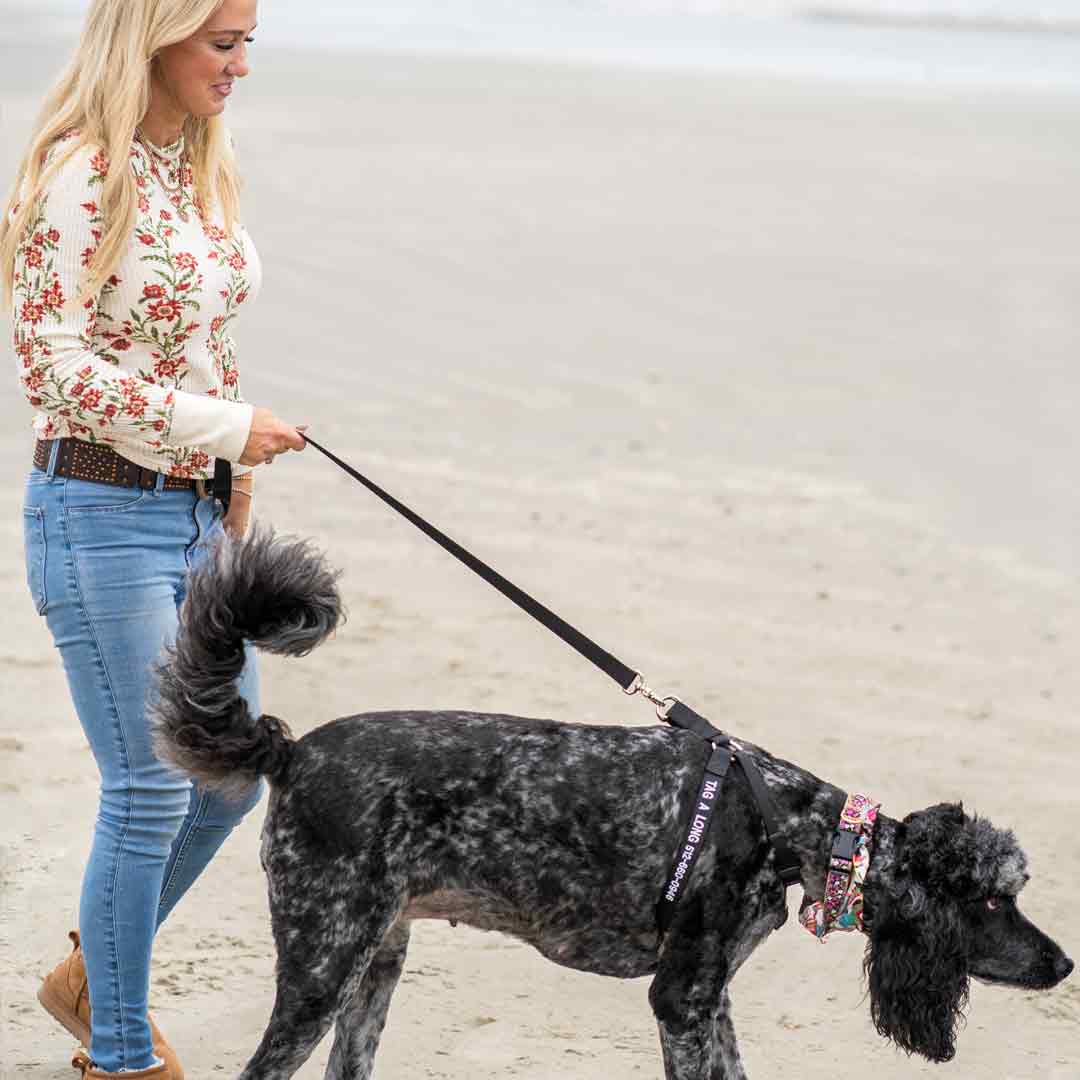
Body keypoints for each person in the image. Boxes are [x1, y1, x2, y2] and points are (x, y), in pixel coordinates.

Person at [0, 2, 302, 1076]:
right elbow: (53, 370)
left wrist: (229, 485)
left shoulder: (195, 170)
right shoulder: (79, 175)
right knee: (150, 787)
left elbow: (199, 338)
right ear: (153, 39)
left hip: (195, 514)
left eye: (247, 43)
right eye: (222, 43)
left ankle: (91, 976)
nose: (241, 66)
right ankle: (119, 1058)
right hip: (96, 515)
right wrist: (227, 428)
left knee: (232, 780)